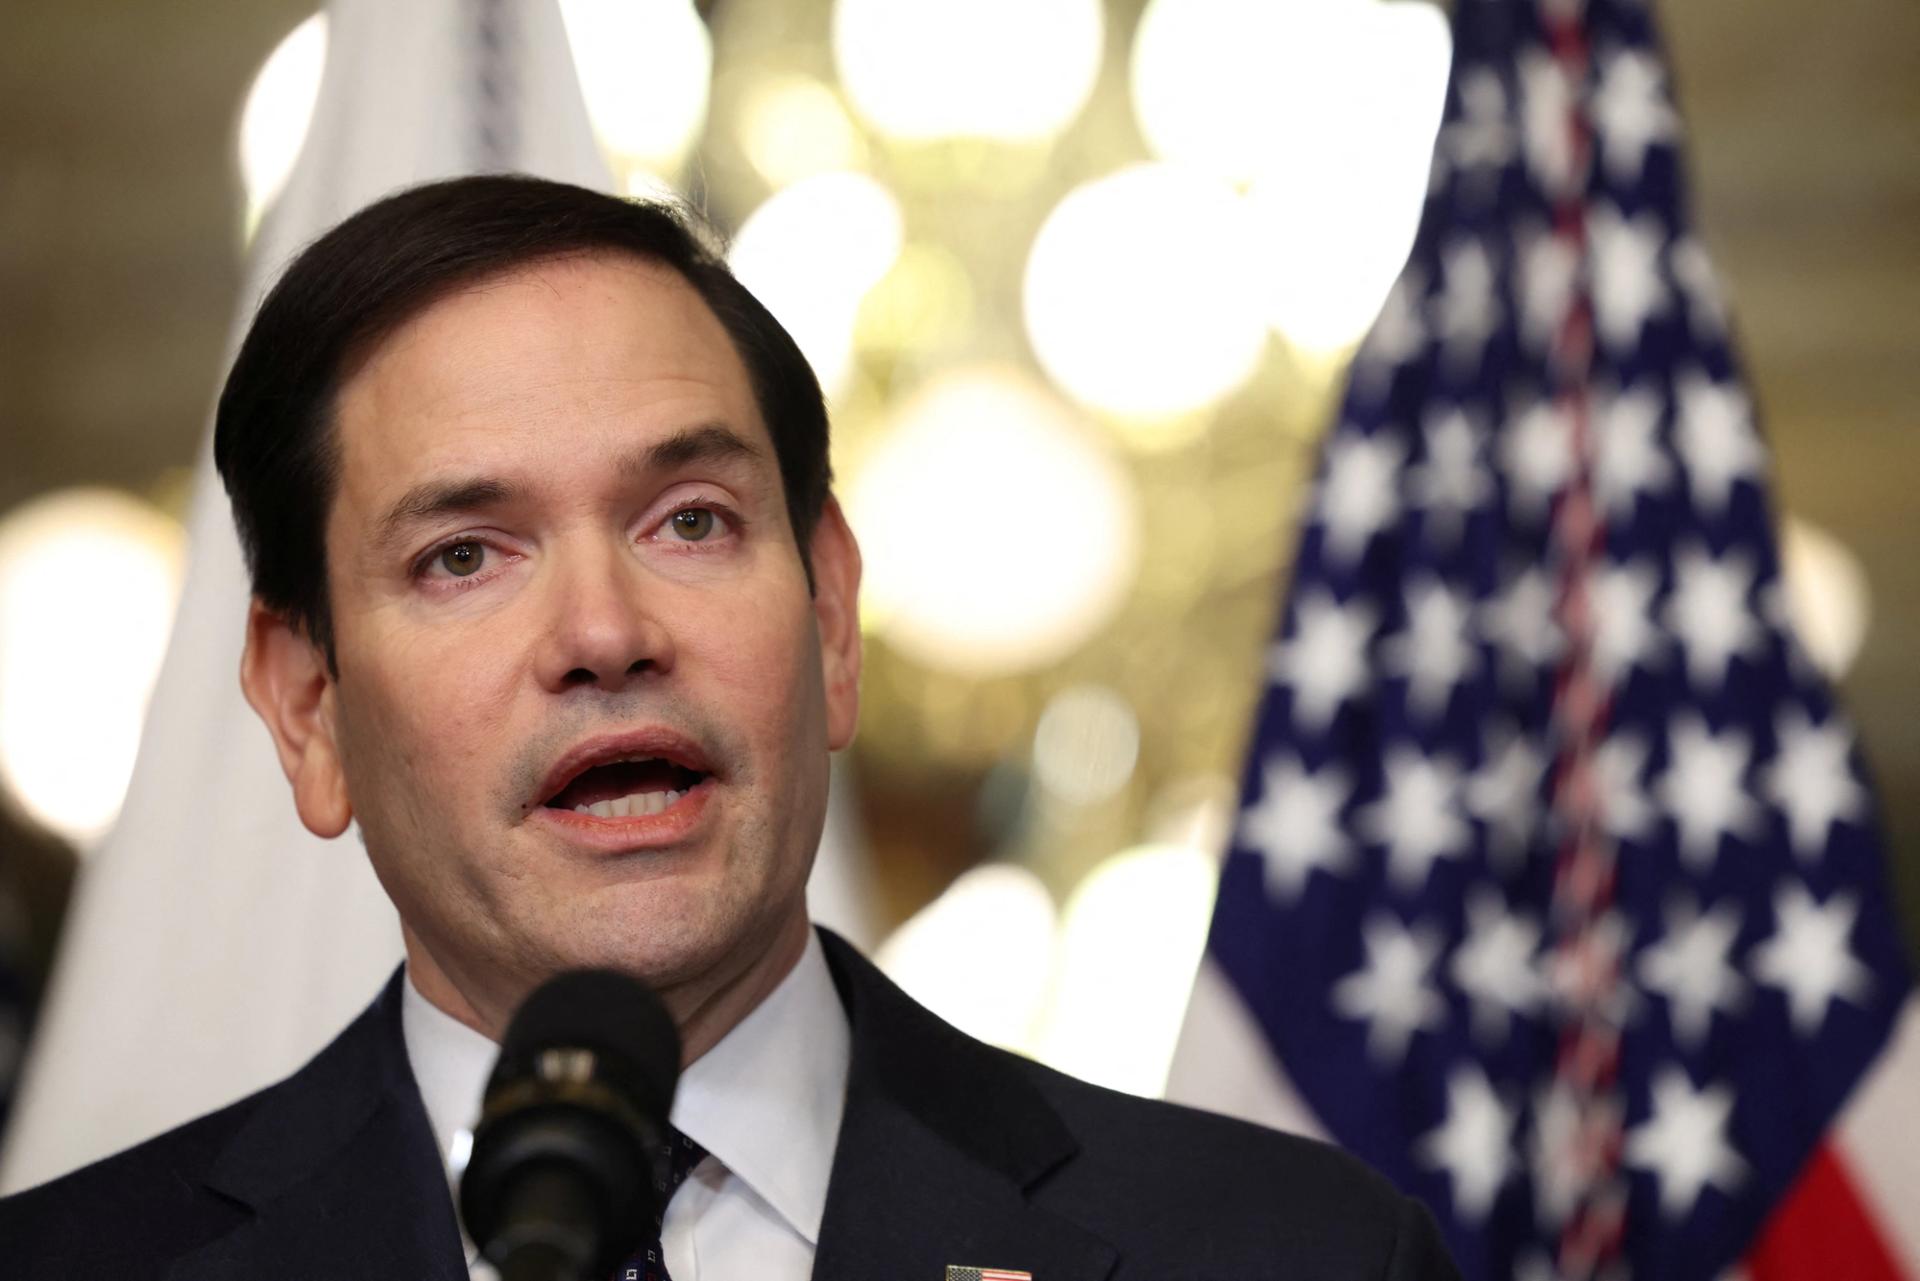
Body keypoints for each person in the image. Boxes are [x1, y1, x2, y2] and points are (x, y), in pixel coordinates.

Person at [0, 175, 1460, 1280]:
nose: (603, 632)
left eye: (689, 521)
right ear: (309, 705)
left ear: (831, 616)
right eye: (464, 555)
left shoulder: (1292, 1251)